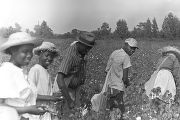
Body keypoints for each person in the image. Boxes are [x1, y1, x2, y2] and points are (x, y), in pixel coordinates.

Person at [0, 32, 46, 120]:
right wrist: (28, 109)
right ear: (13, 51)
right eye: (25, 51)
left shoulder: (20, 72)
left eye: (31, 51)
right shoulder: (6, 71)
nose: (29, 55)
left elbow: (20, 102)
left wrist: (33, 107)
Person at [91, 38, 138, 120]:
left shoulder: (114, 53)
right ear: (126, 45)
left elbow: (106, 70)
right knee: (120, 111)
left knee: (111, 109)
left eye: (134, 49)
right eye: (131, 48)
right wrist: (128, 83)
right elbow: (125, 78)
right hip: (118, 88)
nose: (133, 50)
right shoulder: (126, 57)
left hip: (110, 87)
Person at [55, 31, 95, 112]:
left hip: (74, 88)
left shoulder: (82, 51)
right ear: (79, 43)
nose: (88, 50)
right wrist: (69, 101)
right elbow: (59, 79)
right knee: (67, 114)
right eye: (86, 47)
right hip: (66, 89)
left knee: (76, 112)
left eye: (90, 48)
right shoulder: (70, 55)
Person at [28, 42, 62, 120]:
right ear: (40, 54)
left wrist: (54, 95)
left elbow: (44, 92)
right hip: (37, 113)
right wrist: (51, 98)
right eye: (47, 55)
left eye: (52, 57)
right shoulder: (35, 70)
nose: (49, 59)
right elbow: (30, 95)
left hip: (46, 112)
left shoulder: (45, 71)